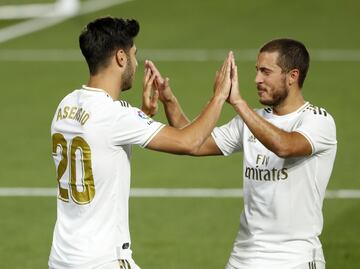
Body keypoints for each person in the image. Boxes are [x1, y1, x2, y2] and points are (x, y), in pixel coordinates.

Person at [49, 16, 236, 269]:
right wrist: (220, 95)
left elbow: (102, 141)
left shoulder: (66, 104)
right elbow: (189, 142)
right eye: (134, 55)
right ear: (120, 58)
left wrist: (143, 115)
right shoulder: (116, 116)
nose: (136, 63)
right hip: (103, 261)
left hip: (62, 258)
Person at [148, 38, 337, 269]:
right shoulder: (250, 120)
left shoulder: (318, 121)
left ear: (292, 76)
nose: (257, 79)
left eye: (266, 72)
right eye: (257, 71)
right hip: (243, 258)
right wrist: (169, 100)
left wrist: (238, 103)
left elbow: (285, 146)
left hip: (293, 258)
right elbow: (194, 143)